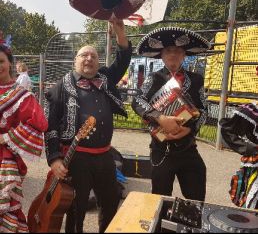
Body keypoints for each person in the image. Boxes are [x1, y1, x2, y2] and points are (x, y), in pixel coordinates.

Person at [44, 18, 132, 233]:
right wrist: (54, 159)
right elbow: (50, 125)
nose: (89, 58)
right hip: (76, 158)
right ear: (75, 61)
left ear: (98, 61)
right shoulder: (60, 87)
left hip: (105, 156)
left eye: (93, 55)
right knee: (76, 209)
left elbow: (123, 59)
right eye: (84, 55)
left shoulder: (105, 78)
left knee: (111, 203)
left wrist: (120, 31)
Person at [132, 27, 211, 201]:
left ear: (184, 55)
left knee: (196, 197)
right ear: (162, 55)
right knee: (159, 200)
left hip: (188, 148)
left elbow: (204, 111)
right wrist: (160, 118)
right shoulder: (153, 78)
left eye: (178, 51)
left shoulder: (196, 79)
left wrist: (190, 130)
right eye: (168, 51)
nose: (173, 55)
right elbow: (137, 101)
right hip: (161, 150)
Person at [0, 36, 48, 232]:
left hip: (4, 161)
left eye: (1, 61)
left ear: (10, 63)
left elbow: (40, 123)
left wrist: (5, 138)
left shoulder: (20, 94)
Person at [220, 102, 258, 209]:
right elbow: (228, 130)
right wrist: (250, 148)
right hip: (255, 173)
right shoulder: (252, 111)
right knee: (252, 205)